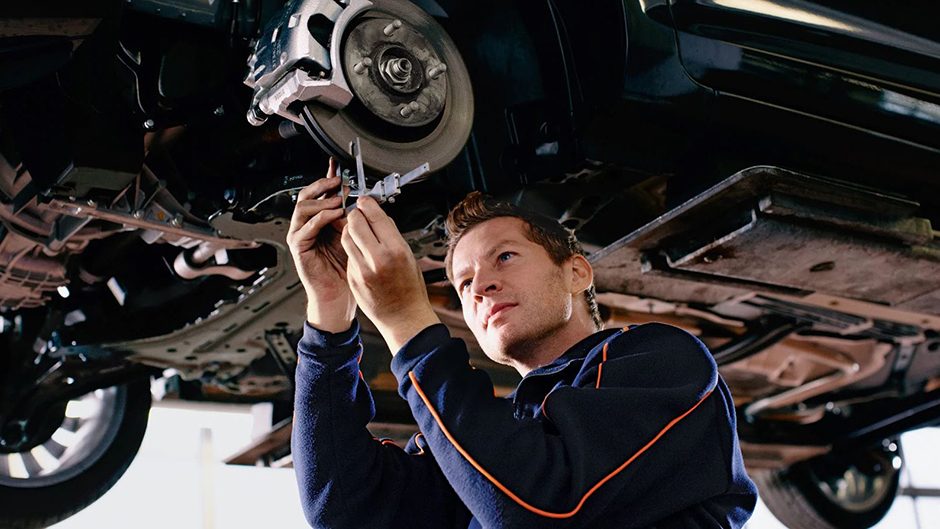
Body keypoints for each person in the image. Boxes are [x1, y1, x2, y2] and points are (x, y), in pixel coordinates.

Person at [286, 159, 758, 529]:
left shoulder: (663, 360)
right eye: (463, 281)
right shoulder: (497, 437)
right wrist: (329, 317)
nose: (480, 286)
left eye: (505, 257)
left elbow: (543, 510)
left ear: (576, 272)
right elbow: (343, 506)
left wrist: (407, 324)